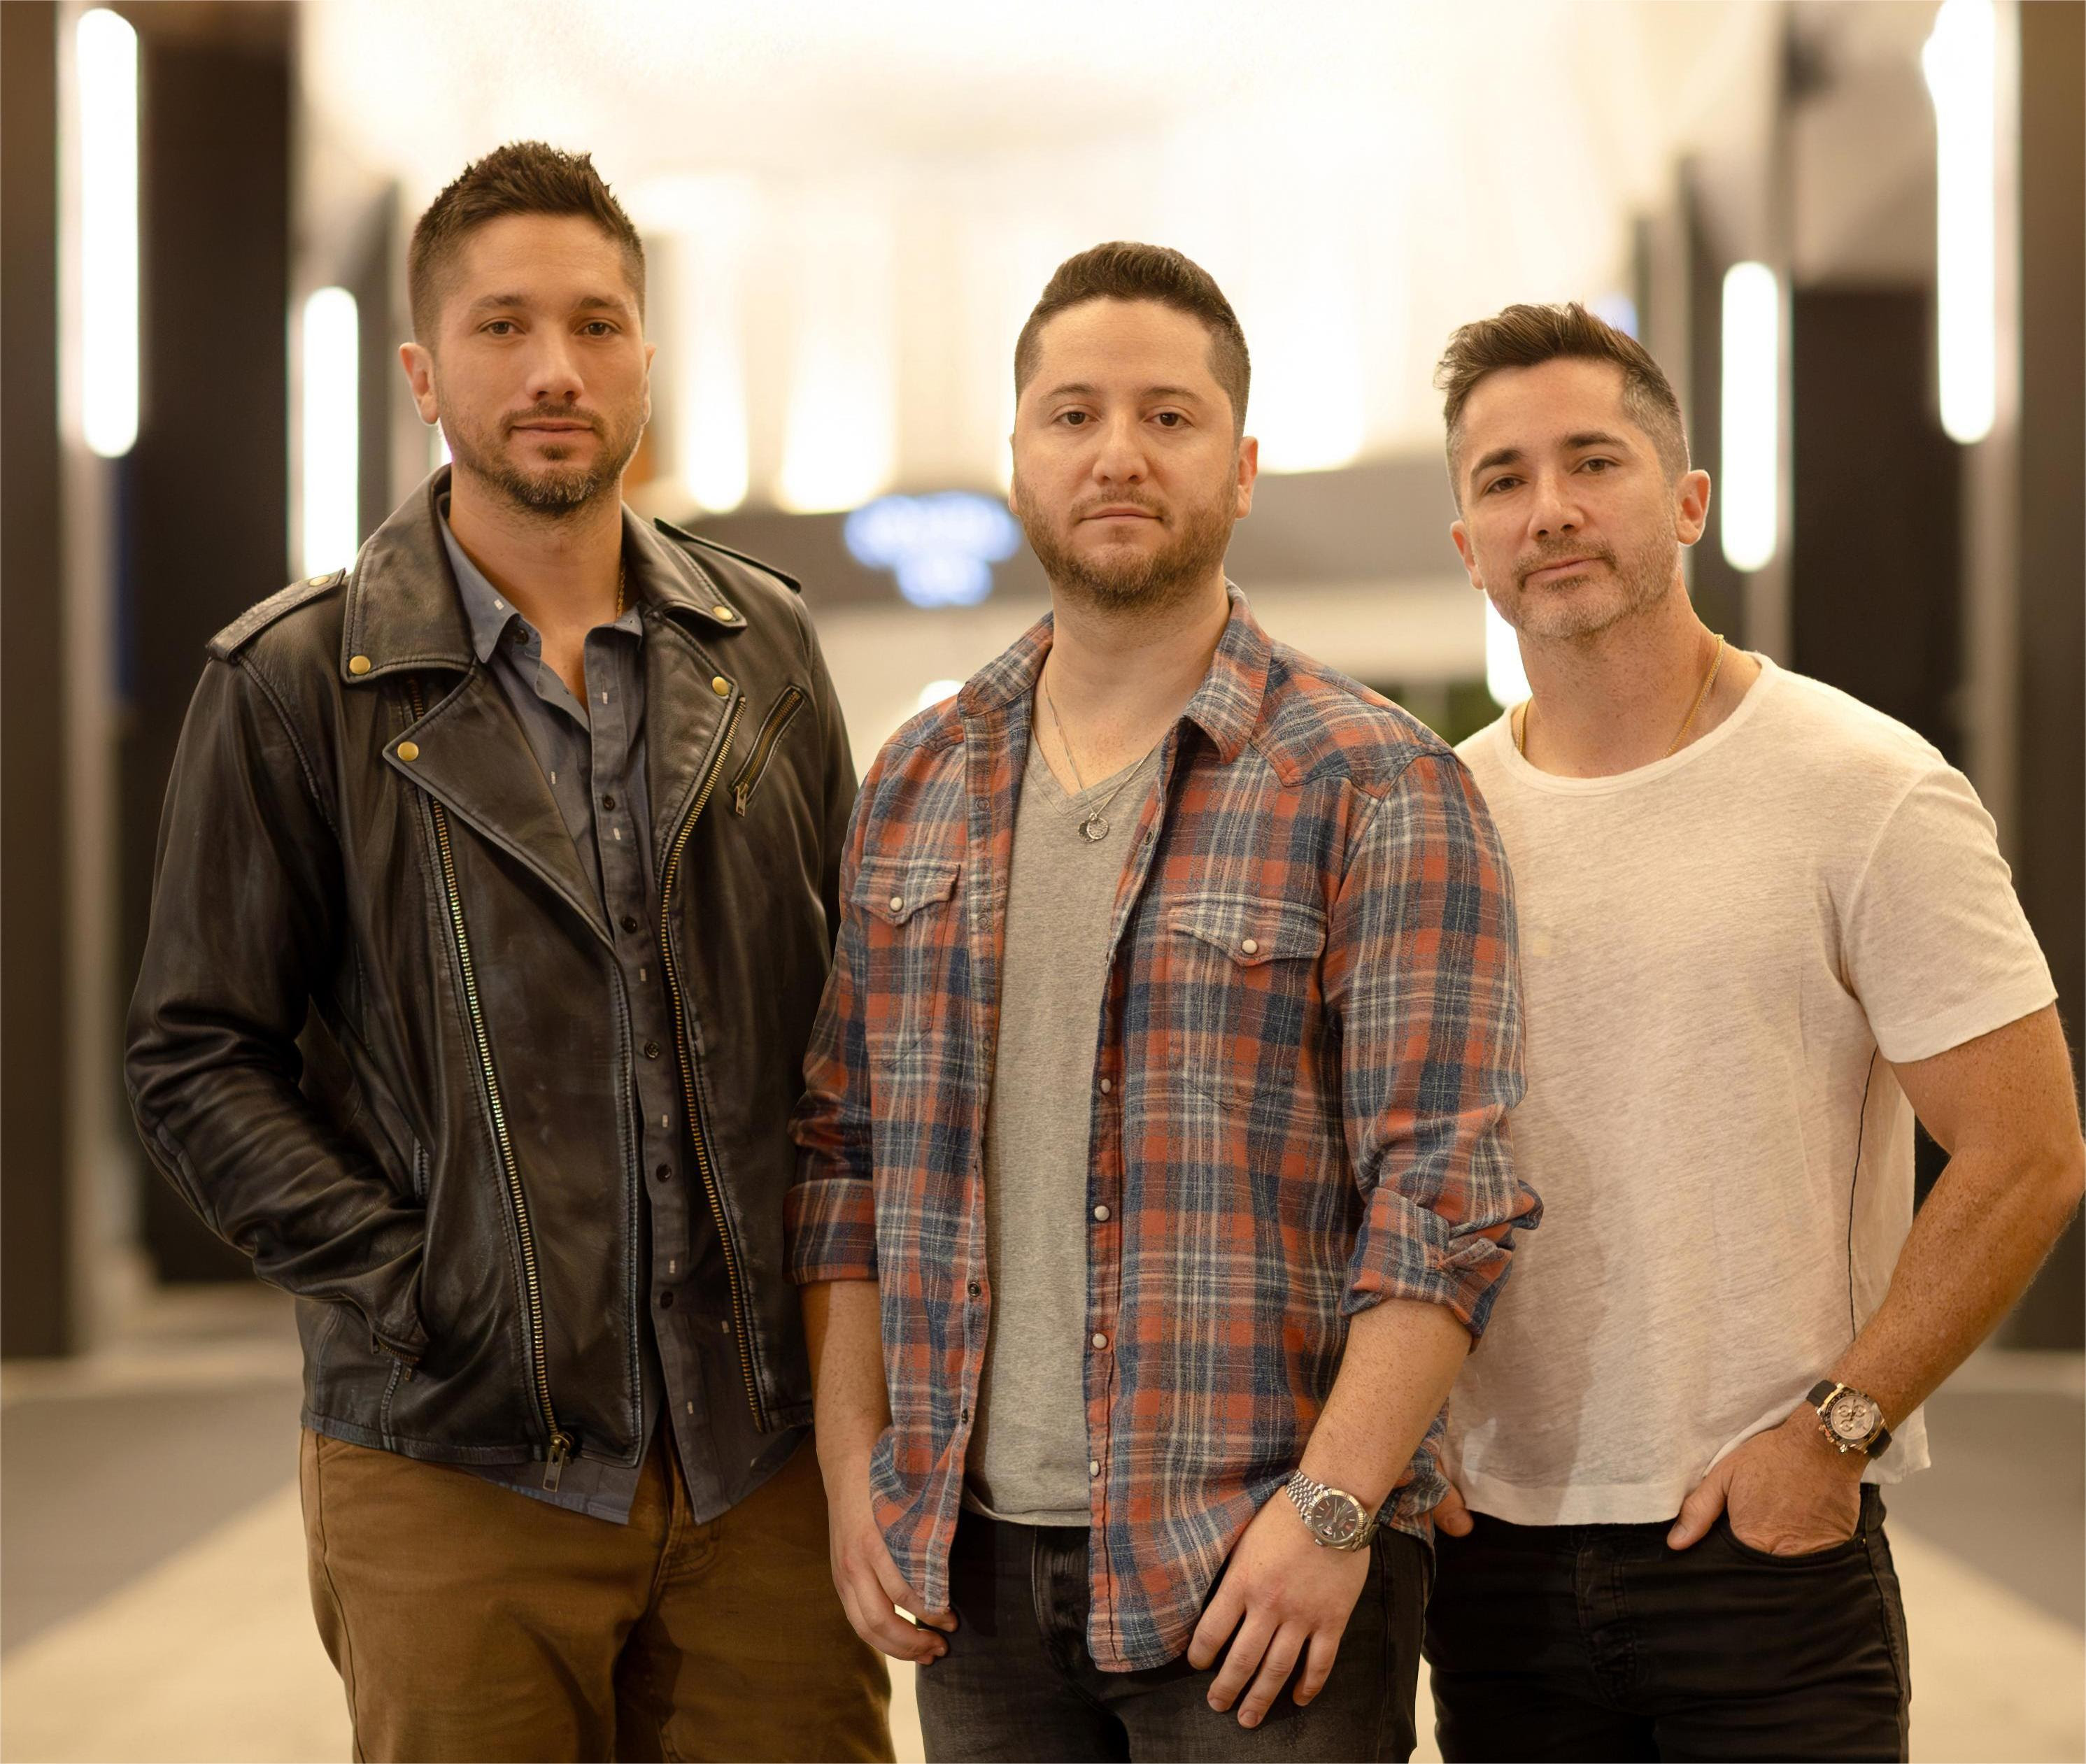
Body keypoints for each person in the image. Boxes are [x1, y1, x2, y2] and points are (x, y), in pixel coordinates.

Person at [125, 141, 889, 1763]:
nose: (557, 369)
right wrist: (422, 1290)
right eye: (504, 326)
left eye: (597, 325)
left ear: (646, 358)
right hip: (455, 1455)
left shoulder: (765, 647)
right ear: (423, 372)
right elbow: (196, 1053)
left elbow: (850, 1022)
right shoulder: (296, 679)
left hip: (759, 1454)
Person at [788, 241, 1537, 1763]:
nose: (1117, 453)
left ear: (1241, 468)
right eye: (1072, 415)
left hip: (1259, 1577)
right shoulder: (918, 779)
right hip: (974, 1578)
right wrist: (854, 1460)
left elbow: (1444, 1195)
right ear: (1018, 458)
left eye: (1169, 416)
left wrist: (1334, 1510)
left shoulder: (1374, 779)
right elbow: (842, 1156)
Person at [1422, 301, 2086, 1763]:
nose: (1551, 509)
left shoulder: (1865, 787)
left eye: (1593, 461)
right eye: (1504, 479)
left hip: (1762, 1548)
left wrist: (1836, 1429)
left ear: (1687, 500)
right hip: (1491, 1559)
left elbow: (2027, 1151)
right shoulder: (1433, 819)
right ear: (1469, 545)